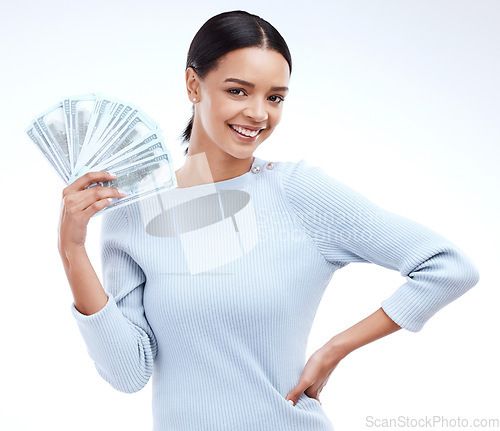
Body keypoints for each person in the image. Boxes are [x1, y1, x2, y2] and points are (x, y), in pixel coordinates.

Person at [58, 10, 480, 431]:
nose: (259, 113)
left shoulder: (297, 193)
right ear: (193, 84)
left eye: (275, 97)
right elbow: (128, 372)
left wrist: (335, 349)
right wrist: (72, 249)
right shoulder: (133, 210)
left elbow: (447, 266)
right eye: (239, 91)